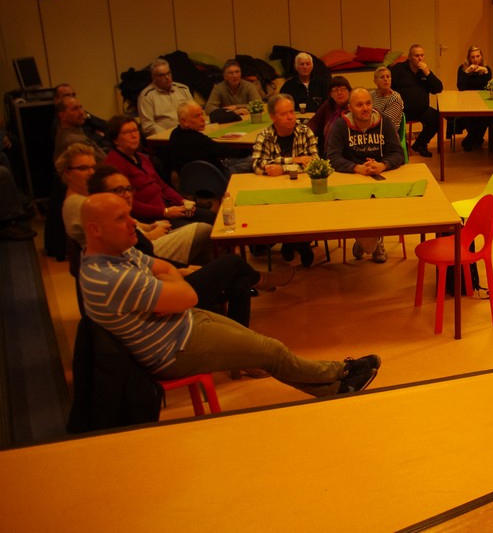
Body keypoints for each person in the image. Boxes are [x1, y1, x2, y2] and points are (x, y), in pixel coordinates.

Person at [78, 192, 379, 397]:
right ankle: (339, 371)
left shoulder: (117, 252)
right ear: (95, 229)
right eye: (121, 218)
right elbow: (188, 295)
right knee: (271, 351)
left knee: (266, 348)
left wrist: (172, 285)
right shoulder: (110, 277)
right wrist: (174, 285)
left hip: (180, 324)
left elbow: (166, 271)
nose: (133, 222)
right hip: (173, 348)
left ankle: (334, 386)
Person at [79, 165, 293, 335]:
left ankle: (242, 342)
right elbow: (153, 275)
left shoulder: (126, 223)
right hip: (165, 297)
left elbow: (151, 262)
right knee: (232, 263)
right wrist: (179, 272)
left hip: (168, 280)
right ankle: (262, 280)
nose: (126, 194)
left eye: (128, 189)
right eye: (118, 190)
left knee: (240, 282)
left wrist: (179, 269)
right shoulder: (114, 236)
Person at [326, 88, 404, 263]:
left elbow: (398, 153)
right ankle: (370, 242)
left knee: (382, 206)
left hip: (381, 179)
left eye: (368, 103)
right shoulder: (340, 125)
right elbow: (332, 157)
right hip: (352, 181)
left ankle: (370, 241)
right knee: (361, 208)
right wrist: (356, 168)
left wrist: (383, 165)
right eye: (359, 105)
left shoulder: (385, 122)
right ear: (350, 108)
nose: (365, 108)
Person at [104, 115, 215, 227]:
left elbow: (163, 186)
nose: (134, 136)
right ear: (115, 140)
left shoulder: (142, 157)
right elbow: (129, 205)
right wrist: (164, 212)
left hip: (167, 206)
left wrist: (182, 201)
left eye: (135, 131)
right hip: (152, 218)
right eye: (127, 132)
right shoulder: (114, 164)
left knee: (211, 216)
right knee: (203, 228)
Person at [252, 94, 318, 266]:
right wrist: (293, 160)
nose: (290, 117)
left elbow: (314, 163)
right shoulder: (265, 136)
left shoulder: (305, 132)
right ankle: (298, 243)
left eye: (292, 112)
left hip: (303, 192)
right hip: (274, 194)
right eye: (284, 114)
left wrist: (282, 168)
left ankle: (291, 242)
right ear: (273, 117)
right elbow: (258, 165)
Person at [170, 101, 253, 176]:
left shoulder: (174, 134)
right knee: (254, 160)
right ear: (184, 121)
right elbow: (226, 151)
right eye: (197, 116)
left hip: (189, 179)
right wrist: (251, 149)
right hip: (216, 177)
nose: (203, 119)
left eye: (202, 114)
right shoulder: (198, 140)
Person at [390, 44, 442, 158]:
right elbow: (387, 82)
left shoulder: (424, 72)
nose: (420, 58)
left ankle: (420, 144)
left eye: (422, 55)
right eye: (417, 56)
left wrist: (428, 73)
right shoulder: (399, 69)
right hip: (402, 110)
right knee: (392, 120)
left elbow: (438, 89)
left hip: (422, 110)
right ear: (409, 57)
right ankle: (402, 146)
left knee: (437, 118)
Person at [137, 59, 194, 136]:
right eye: (161, 75)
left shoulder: (183, 89)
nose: (167, 77)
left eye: (168, 73)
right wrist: (170, 135)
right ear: (153, 77)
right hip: (165, 138)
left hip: (189, 133)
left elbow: (194, 113)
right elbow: (148, 126)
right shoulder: (146, 96)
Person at [53, 85, 110, 160]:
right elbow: (102, 162)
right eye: (75, 109)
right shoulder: (75, 141)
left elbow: (107, 126)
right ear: (63, 116)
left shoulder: (75, 130)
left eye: (81, 107)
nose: (81, 112)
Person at [455, 46, 493, 152]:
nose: (475, 59)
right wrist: (467, 71)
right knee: (467, 117)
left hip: (483, 102)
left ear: (481, 57)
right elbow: (461, 87)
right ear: (469, 58)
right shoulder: (462, 69)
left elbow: (488, 88)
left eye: (477, 56)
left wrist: (485, 72)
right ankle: (476, 138)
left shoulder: (486, 69)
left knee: (486, 117)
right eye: (472, 57)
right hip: (466, 102)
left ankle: (470, 139)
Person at [307, 76, 353, 154]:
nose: (339, 93)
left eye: (343, 89)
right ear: (330, 94)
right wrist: (307, 133)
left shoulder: (352, 107)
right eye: (336, 90)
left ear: (349, 92)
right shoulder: (328, 105)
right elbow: (314, 122)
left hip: (346, 150)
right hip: (325, 149)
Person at [369, 66, 404, 133]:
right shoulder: (371, 95)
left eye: (388, 77)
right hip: (372, 129)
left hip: (387, 133)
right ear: (375, 81)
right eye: (382, 77)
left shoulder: (395, 98)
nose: (385, 79)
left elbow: (387, 123)